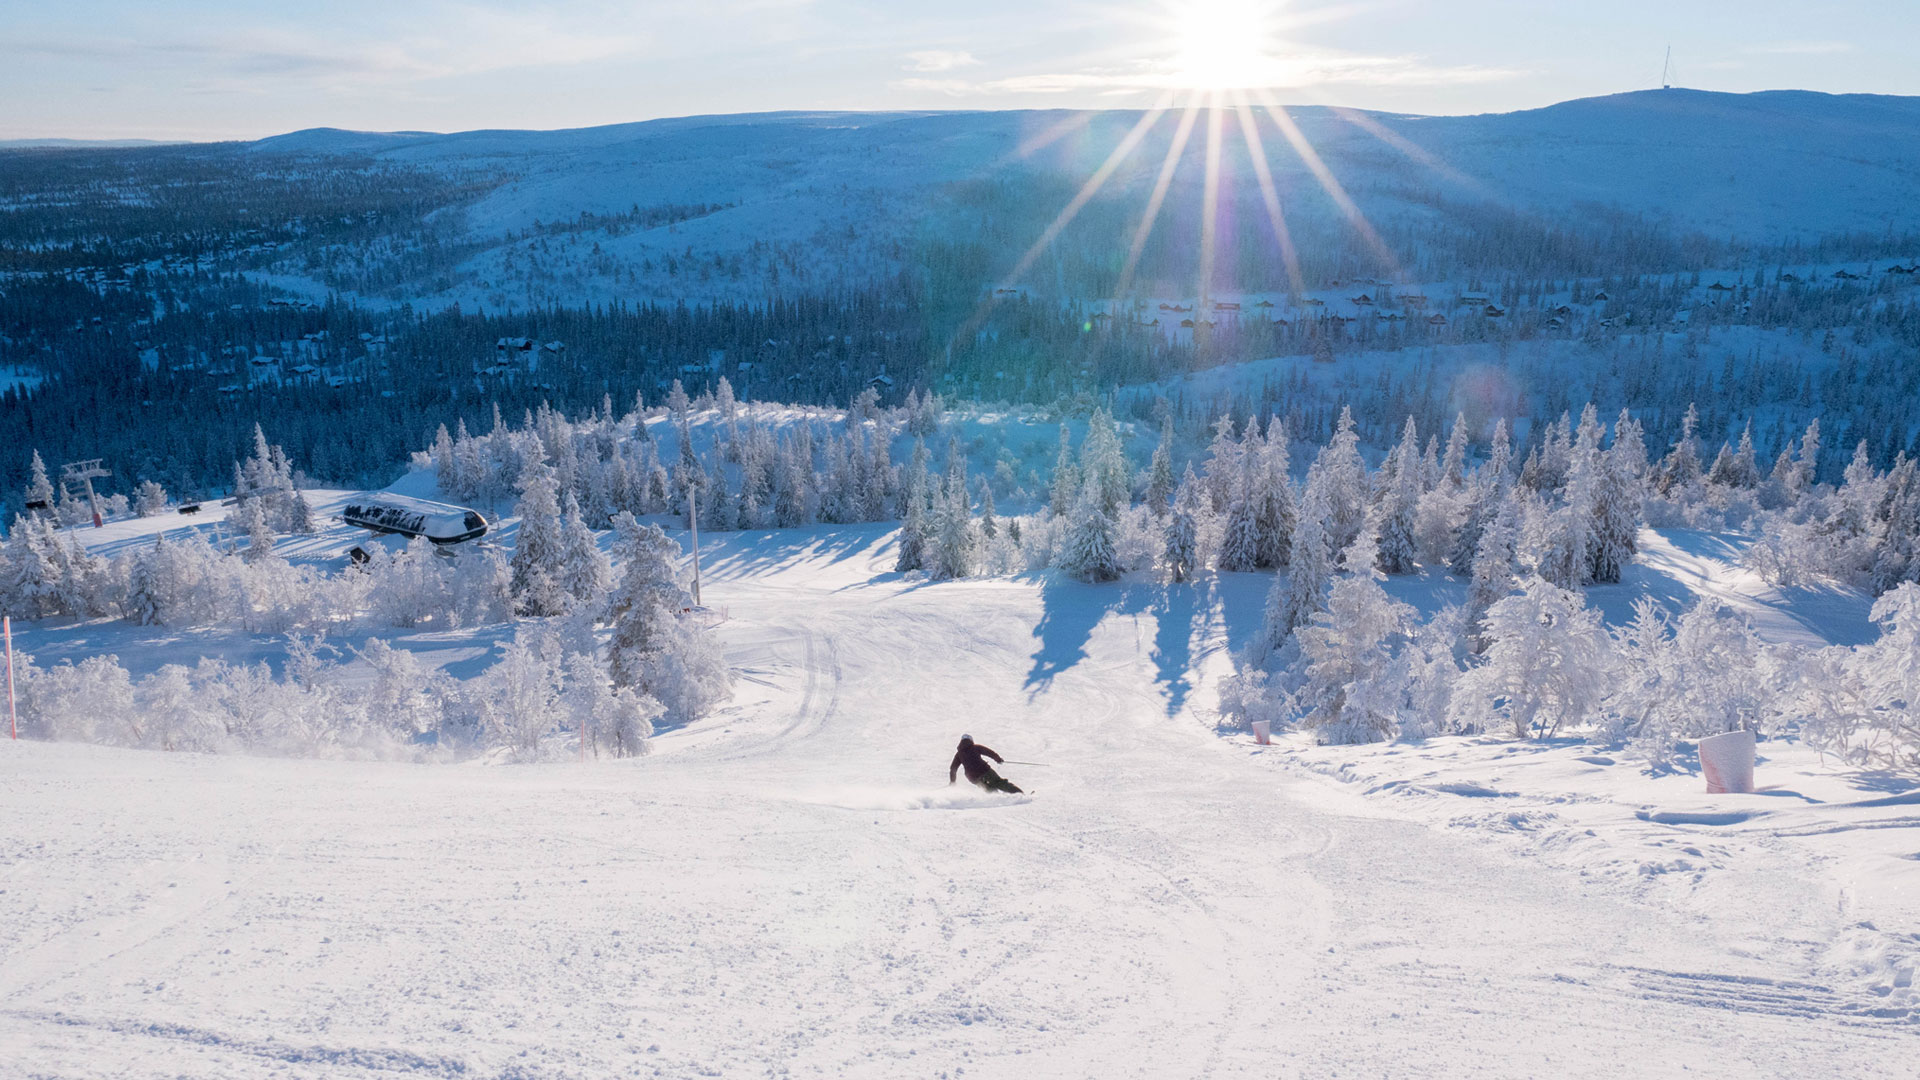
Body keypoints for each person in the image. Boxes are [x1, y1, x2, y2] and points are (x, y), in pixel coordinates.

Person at [949, 734, 1022, 794]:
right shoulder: (975, 747)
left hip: (973, 777)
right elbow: (989, 752)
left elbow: (953, 768)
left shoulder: (959, 754)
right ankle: (1018, 794)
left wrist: (953, 782)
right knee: (999, 782)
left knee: (988, 789)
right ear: (971, 740)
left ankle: (997, 799)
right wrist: (998, 759)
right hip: (984, 771)